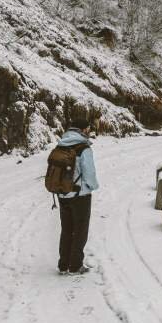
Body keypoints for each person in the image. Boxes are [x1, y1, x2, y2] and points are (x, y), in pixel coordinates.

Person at [56, 118, 99, 275]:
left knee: (66, 229)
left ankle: (63, 265)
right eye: (88, 128)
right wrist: (92, 187)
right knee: (80, 230)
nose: (89, 131)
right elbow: (89, 174)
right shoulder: (83, 148)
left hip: (62, 193)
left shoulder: (61, 144)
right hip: (80, 195)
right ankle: (75, 266)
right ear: (83, 130)